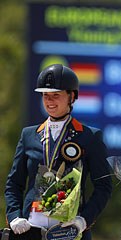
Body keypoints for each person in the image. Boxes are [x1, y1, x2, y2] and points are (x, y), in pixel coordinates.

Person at [4, 64, 112, 240]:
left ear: (72, 97)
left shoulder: (90, 136)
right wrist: (14, 215)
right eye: (46, 95)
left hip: (69, 230)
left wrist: (83, 220)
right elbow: (14, 184)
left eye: (56, 95)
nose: (49, 101)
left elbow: (103, 187)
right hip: (30, 229)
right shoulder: (29, 135)